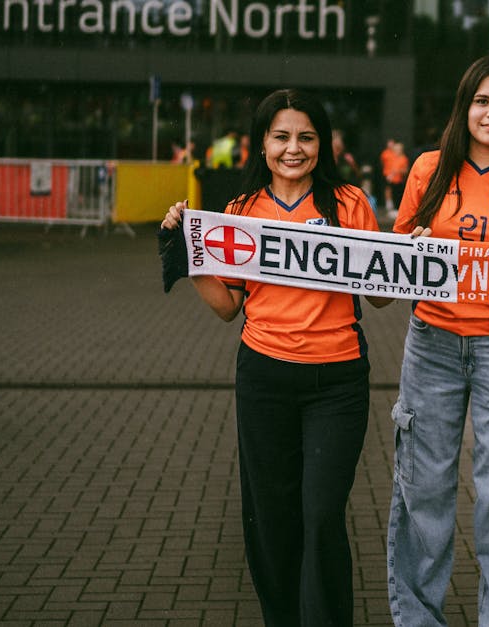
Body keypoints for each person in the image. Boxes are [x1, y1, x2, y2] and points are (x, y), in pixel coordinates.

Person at [159, 89, 382, 625]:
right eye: (281, 137)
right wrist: (190, 256)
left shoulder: (349, 202)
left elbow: (379, 294)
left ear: (321, 144)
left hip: (338, 381)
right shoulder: (240, 212)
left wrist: (406, 255)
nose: (293, 149)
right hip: (264, 379)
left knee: (322, 514)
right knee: (272, 518)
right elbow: (227, 307)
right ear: (262, 144)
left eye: (306, 137)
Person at [387, 55, 489, 627]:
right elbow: (393, 263)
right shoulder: (429, 169)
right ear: (465, 106)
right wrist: (409, 248)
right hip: (431, 343)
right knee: (423, 492)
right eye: (483, 101)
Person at [380, 138, 410, 214]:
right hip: (391, 180)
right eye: (395, 149)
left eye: (398, 149)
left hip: (399, 181)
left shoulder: (404, 158)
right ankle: (391, 208)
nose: (396, 151)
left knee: (398, 196)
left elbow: (406, 170)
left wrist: (397, 171)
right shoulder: (391, 156)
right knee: (390, 192)